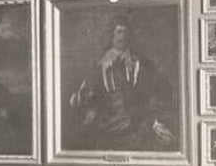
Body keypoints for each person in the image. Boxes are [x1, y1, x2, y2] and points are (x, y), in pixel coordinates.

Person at [68, 15, 176, 152]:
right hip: (105, 129)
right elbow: (81, 99)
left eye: (125, 32)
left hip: (136, 128)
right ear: (111, 35)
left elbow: (157, 93)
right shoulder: (97, 67)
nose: (122, 37)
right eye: (118, 32)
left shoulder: (142, 65)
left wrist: (155, 122)